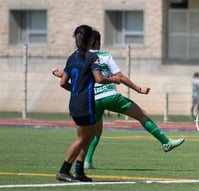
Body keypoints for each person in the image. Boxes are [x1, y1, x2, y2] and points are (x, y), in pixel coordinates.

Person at [53, 30, 185, 170]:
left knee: (94, 132)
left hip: (91, 100)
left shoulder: (77, 57)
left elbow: (72, 76)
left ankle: (86, 162)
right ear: (97, 42)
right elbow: (120, 76)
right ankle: (165, 142)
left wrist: (59, 73)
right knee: (142, 114)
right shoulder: (104, 56)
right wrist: (138, 89)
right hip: (109, 96)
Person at [56, 25, 120, 183]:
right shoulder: (92, 58)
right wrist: (113, 79)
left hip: (75, 102)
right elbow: (99, 79)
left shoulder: (72, 57)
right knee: (82, 139)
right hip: (86, 103)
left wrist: (77, 91)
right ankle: (64, 170)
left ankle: (79, 172)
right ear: (91, 40)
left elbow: (63, 83)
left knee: (88, 136)